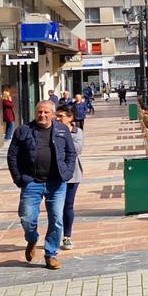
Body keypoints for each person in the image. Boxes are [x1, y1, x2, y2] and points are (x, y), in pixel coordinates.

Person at [6, 100, 78, 270]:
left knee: (57, 220)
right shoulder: (23, 130)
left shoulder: (62, 130)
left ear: (53, 114)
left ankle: (50, 254)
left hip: (56, 183)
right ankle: (32, 239)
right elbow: (12, 156)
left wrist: (67, 173)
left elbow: (71, 153)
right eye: (40, 112)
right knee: (27, 218)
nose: (42, 115)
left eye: (46, 112)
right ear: (35, 113)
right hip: (31, 182)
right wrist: (19, 178)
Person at [53, 106, 83, 250]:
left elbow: (76, 150)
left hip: (72, 173)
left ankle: (67, 236)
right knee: (55, 207)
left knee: (68, 205)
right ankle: (54, 235)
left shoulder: (77, 132)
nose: (57, 119)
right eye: (56, 116)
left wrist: (62, 140)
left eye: (61, 116)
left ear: (70, 117)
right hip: (55, 173)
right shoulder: (53, 130)